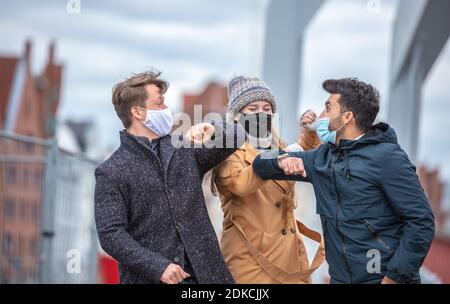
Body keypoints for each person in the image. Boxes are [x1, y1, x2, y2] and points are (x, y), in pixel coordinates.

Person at [252, 78, 435, 284]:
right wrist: (290, 156)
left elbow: (421, 221)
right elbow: (260, 163)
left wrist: (393, 279)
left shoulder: (388, 157)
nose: (320, 116)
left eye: (328, 108)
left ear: (347, 117)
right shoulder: (321, 158)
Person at [94, 70, 245, 284]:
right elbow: (111, 234)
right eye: (160, 104)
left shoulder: (184, 149)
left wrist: (212, 127)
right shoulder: (111, 171)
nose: (167, 110)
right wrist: (157, 266)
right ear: (138, 112)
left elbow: (237, 136)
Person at [212, 75, 325, 284]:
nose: (261, 114)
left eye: (266, 108)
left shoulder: (276, 145)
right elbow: (240, 184)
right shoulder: (227, 150)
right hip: (251, 259)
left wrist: (309, 133)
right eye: (253, 109)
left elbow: (302, 155)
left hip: (289, 255)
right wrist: (277, 160)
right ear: (237, 115)